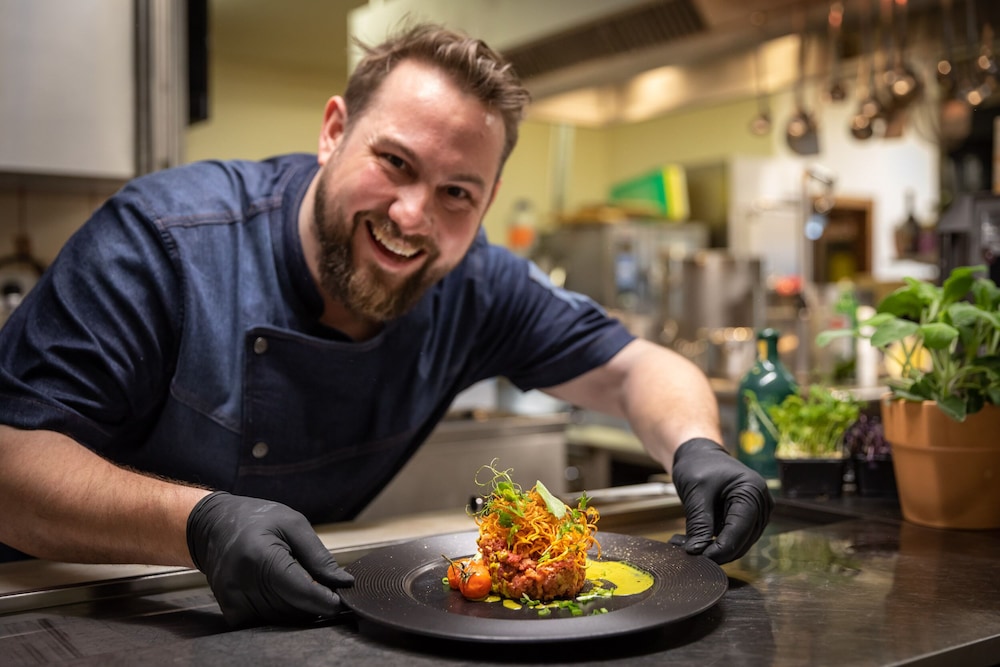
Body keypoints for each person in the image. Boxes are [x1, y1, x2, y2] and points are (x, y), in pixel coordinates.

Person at [0, 23, 771, 628]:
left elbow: (638, 368)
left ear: (488, 199)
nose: (412, 216)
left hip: (297, 619)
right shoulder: (163, 243)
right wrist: (194, 523)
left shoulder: (476, 285)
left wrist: (697, 446)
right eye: (396, 163)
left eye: (457, 193)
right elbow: (11, 464)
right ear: (334, 130)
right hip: (71, 605)